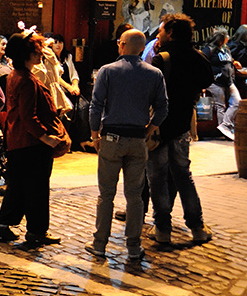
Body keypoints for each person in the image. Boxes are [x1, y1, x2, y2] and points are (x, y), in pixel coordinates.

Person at [86, 29, 168, 262]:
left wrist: (94, 134)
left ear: (121, 45)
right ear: (143, 48)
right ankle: (133, 246)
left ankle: (99, 244)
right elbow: (163, 108)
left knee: (106, 195)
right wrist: (149, 129)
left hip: (112, 137)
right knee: (135, 196)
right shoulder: (154, 74)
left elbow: (96, 105)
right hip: (137, 139)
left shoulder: (108, 71)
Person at [0, 32, 65, 246]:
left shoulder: (18, 75)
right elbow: (28, 116)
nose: (40, 53)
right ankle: (36, 231)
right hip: (31, 143)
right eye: (36, 50)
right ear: (26, 54)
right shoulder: (26, 80)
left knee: (19, 186)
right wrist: (45, 137)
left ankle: (4, 225)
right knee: (37, 188)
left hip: (18, 141)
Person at [147, 14, 214, 245]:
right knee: (183, 176)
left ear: (172, 33)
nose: (159, 35)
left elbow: (150, 94)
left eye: (162, 30)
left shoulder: (162, 59)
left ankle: (163, 229)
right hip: (182, 125)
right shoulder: (198, 57)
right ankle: (197, 226)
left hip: (159, 127)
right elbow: (207, 80)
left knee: (156, 178)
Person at [201, 29, 240, 140]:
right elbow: (202, 65)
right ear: (220, 39)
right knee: (220, 106)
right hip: (215, 82)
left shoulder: (226, 49)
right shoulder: (209, 50)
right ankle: (226, 132)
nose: (228, 38)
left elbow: (228, 61)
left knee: (237, 102)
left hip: (228, 81)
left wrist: (233, 62)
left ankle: (225, 125)